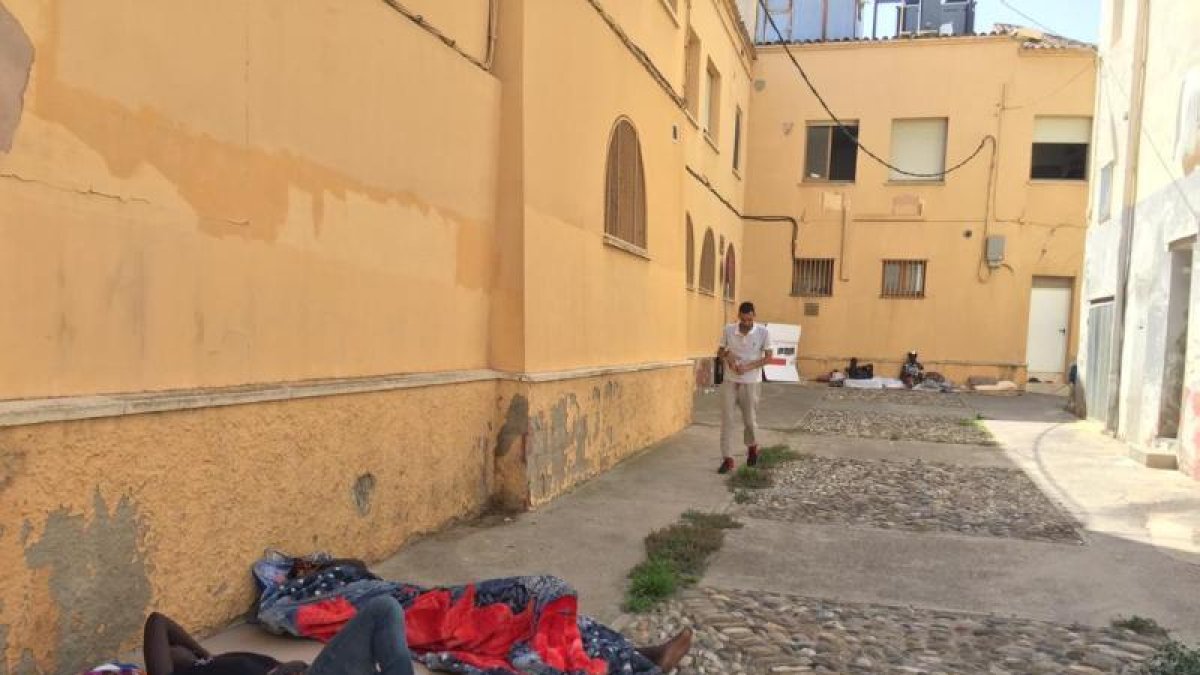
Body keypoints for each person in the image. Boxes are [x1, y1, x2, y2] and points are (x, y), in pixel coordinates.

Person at [146, 591, 692, 675]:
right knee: (384, 608)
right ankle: (634, 659)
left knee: (514, 618)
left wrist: (201, 651)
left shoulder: (202, 663)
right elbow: (155, 629)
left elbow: (162, 626)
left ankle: (633, 657)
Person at [717, 301, 772, 474]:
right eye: (744, 320)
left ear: (754, 316)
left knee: (749, 420)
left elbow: (769, 357)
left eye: (750, 320)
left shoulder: (763, 332)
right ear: (739, 316)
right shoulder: (728, 330)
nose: (747, 323)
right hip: (730, 380)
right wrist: (728, 357)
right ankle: (727, 458)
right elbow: (719, 351)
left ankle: (752, 448)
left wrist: (748, 367)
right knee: (727, 420)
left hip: (751, 382)